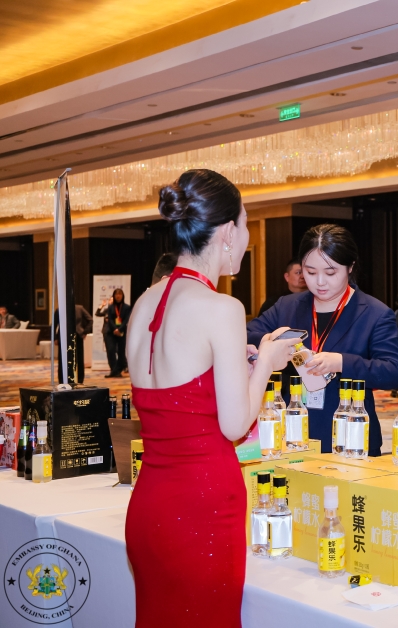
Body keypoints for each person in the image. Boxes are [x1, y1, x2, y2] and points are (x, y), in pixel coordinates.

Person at [124, 169, 296, 627]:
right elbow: (234, 424)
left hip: (150, 503)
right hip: (202, 503)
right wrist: (267, 362)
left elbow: (176, 393)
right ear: (227, 232)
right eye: (245, 224)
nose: (246, 237)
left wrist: (239, 365)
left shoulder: (145, 302)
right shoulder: (222, 308)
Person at [248, 224, 398, 456]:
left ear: (350, 267)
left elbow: (393, 371)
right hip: (294, 432)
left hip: (351, 434)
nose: (320, 282)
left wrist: (341, 362)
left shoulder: (374, 313)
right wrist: (275, 341)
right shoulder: (287, 306)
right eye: (310, 272)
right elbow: (249, 334)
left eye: (330, 273)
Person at [96, 288, 132, 378]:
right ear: (114, 296)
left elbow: (127, 319)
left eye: (120, 294)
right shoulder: (110, 307)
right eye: (116, 294)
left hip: (121, 332)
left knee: (121, 352)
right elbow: (110, 320)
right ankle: (114, 370)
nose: (118, 296)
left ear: (122, 296)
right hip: (110, 332)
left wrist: (119, 329)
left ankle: (117, 370)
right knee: (111, 350)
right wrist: (114, 329)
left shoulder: (127, 307)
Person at [54, 304, 94, 384]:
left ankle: (80, 380)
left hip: (78, 336)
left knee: (79, 359)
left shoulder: (80, 308)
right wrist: (55, 338)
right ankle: (62, 380)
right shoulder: (59, 309)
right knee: (62, 359)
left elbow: (90, 320)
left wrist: (85, 332)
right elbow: (54, 324)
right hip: (63, 336)